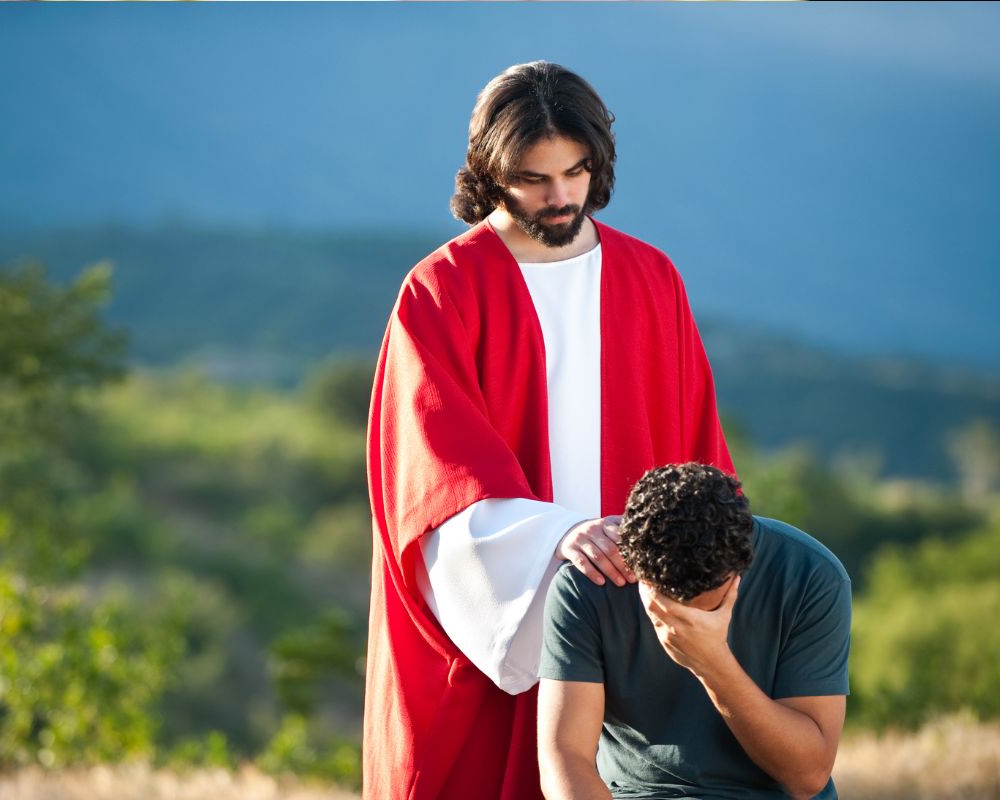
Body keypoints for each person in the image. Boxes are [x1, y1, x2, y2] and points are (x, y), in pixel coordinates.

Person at [363, 61, 735, 799]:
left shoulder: (650, 277)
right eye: (534, 179)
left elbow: (701, 454)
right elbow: (432, 487)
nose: (561, 197)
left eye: (576, 172)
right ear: (490, 172)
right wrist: (556, 537)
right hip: (497, 635)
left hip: (640, 623)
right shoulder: (442, 291)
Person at [538, 463, 851, 800]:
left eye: (706, 608)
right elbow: (565, 758)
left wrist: (712, 662)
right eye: (667, 604)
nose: (685, 622)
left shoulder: (811, 575)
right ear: (635, 567)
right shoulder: (587, 584)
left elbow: (807, 777)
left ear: (739, 569)